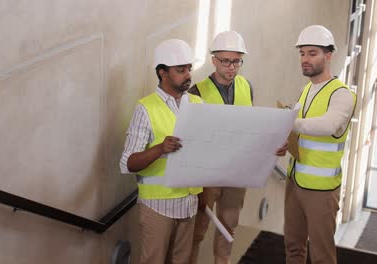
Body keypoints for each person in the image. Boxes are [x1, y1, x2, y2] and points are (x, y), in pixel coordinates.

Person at [189, 30, 287, 264]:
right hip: (208, 175)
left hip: (237, 172)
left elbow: (250, 127)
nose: (231, 67)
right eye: (225, 61)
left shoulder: (246, 86)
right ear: (213, 60)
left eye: (237, 61)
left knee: (228, 227)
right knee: (197, 231)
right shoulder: (196, 93)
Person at [120, 39, 203, 264]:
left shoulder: (197, 102)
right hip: (158, 206)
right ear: (162, 73)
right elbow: (127, 163)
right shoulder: (145, 108)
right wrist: (160, 149)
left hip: (189, 202)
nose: (188, 74)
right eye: (180, 70)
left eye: (189, 69)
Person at [284, 25, 357, 264]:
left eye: (312, 53)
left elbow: (328, 125)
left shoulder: (342, 94)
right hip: (295, 182)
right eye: (302, 53)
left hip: (321, 191)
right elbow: (298, 131)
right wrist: (284, 141)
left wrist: (290, 122)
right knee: (293, 248)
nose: (305, 59)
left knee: (322, 256)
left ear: (328, 56)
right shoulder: (307, 90)